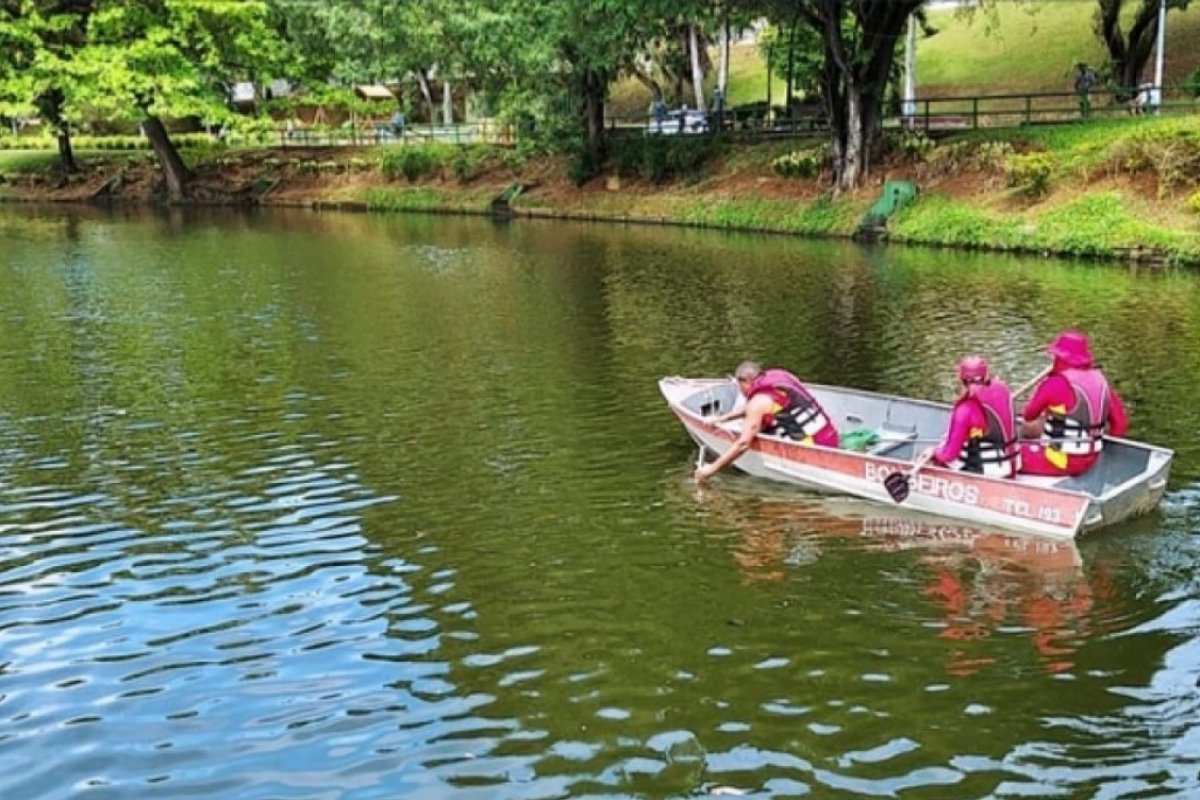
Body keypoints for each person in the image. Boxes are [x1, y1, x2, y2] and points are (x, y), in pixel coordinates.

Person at [694, 361, 839, 483]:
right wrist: (723, 418)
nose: (742, 394)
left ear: (745, 382)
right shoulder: (780, 377)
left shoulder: (757, 402)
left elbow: (743, 444)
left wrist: (711, 469)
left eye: (740, 388)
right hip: (830, 440)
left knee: (758, 430)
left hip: (812, 452)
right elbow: (757, 407)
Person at [1019, 330, 1128, 477]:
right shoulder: (1102, 382)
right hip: (1092, 458)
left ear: (1061, 359)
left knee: (1011, 453)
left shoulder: (1055, 383)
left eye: (1056, 356)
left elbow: (1029, 415)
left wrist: (1042, 387)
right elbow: (1120, 425)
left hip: (1060, 461)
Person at [922, 355, 1019, 478]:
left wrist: (933, 452)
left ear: (962, 379)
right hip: (1010, 464)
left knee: (937, 459)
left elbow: (948, 455)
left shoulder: (965, 410)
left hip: (986, 470)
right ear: (986, 375)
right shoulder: (1002, 390)